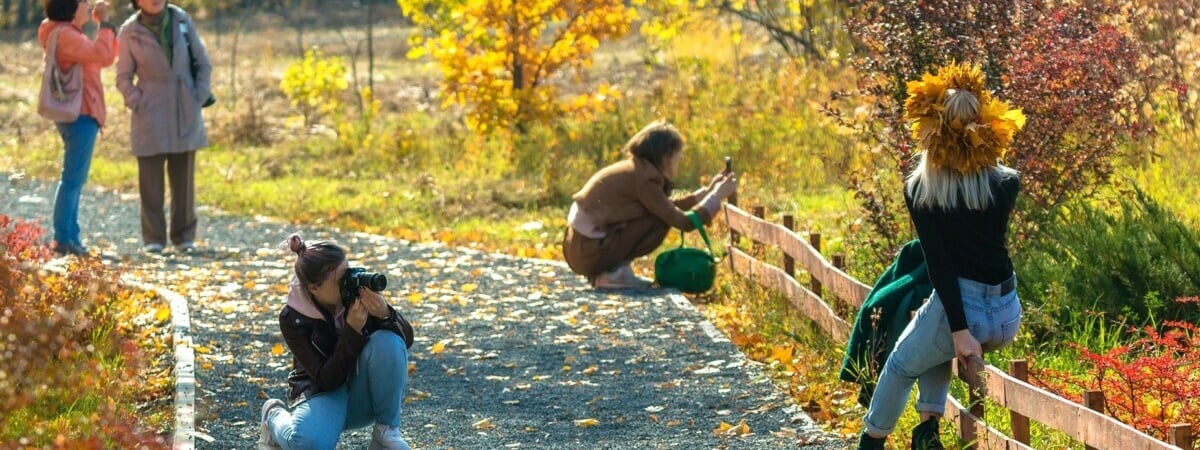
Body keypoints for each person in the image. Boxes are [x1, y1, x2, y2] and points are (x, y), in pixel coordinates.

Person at [857, 62, 1026, 450]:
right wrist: (955, 331)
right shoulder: (1007, 183)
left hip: (967, 315)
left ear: (931, 132)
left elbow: (941, 266)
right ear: (983, 127)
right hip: (1006, 313)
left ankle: (869, 443)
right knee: (934, 329)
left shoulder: (919, 191)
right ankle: (927, 431)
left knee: (901, 365)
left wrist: (961, 332)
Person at [259, 234, 415, 450]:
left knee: (388, 340)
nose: (349, 282)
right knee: (309, 445)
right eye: (341, 280)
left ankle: (385, 433)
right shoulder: (292, 318)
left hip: (361, 393)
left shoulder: (357, 292)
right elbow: (326, 379)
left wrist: (386, 313)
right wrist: (352, 331)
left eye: (349, 271)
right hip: (322, 392)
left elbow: (403, 343)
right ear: (315, 288)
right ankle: (273, 416)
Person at [562, 120, 738, 289]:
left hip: (581, 248)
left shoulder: (637, 169)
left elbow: (663, 206)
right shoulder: (645, 179)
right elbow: (682, 222)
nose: (681, 158)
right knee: (660, 221)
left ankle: (611, 272)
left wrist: (707, 192)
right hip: (588, 252)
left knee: (658, 215)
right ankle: (613, 274)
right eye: (678, 154)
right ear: (666, 156)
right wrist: (717, 196)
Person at [114, 0, 210, 254]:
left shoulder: (182, 20)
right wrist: (137, 100)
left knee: (184, 178)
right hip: (150, 110)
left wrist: (198, 95)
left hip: (184, 106)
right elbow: (123, 76)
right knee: (150, 181)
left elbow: (203, 61)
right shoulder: (129, 30)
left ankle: (184, 237)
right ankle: (153, 238)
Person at [38, 0, 117, 256]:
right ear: (71, 7)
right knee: (72, 179)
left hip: (76, 112)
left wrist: (101, 29)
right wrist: (104, 23)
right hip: (80, 113)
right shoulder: (68, 37)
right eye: (83, 1)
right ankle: (64, 238)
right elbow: (103, 55)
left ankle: (70, 236)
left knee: (74, 178)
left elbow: (103, 56)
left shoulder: (58, 31)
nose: (88, 4)